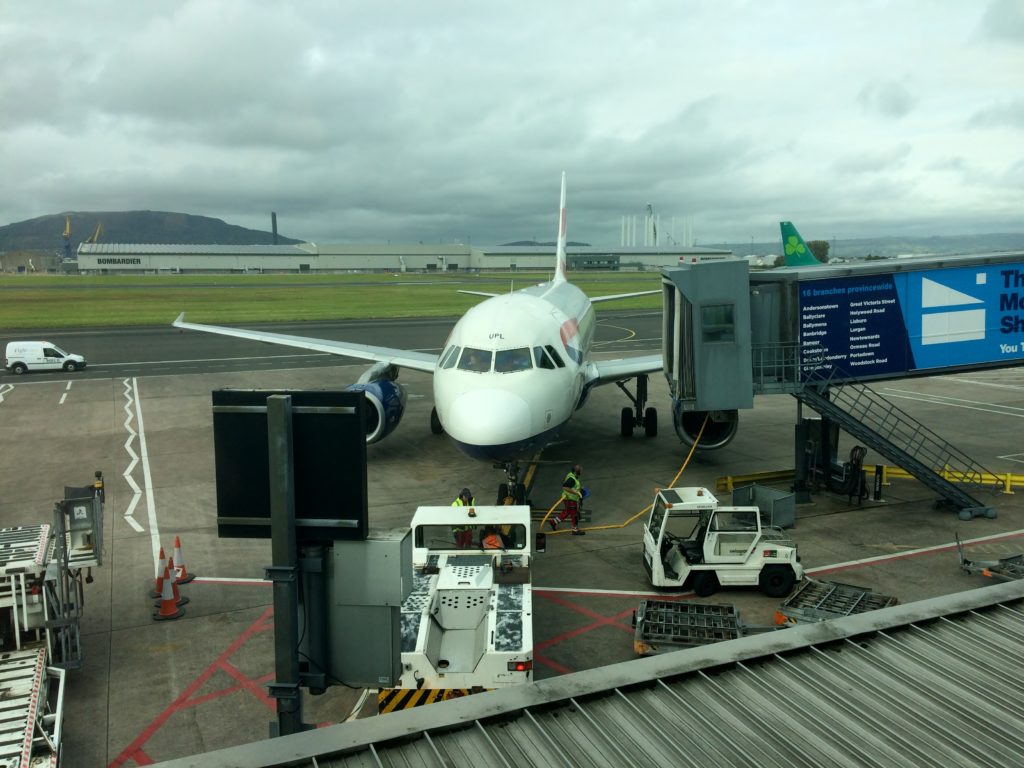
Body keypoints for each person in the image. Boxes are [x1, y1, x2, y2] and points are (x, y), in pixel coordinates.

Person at [549, 464, 586, 535]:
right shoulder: (572, 479)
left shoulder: (572, 475)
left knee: (566, 512)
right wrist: (576, 493)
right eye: (580, 471)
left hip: (568, 498)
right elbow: (565, 487)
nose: (581, 472)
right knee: (574, 515)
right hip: (570, 499)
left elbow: (573, 486)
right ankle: (575, 530)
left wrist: (580, 489)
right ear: (576, 471)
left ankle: (553, 522)